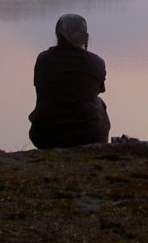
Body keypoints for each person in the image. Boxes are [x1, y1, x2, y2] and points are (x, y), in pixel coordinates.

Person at [28, 13, 110, 148]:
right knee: (99, 103)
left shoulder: (43, 59)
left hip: (43, 135)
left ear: (58, 35)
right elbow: (99, 90)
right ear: (85, 37)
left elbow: (41, 88)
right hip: (87, 136)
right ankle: (99, 148)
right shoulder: (96, 62)